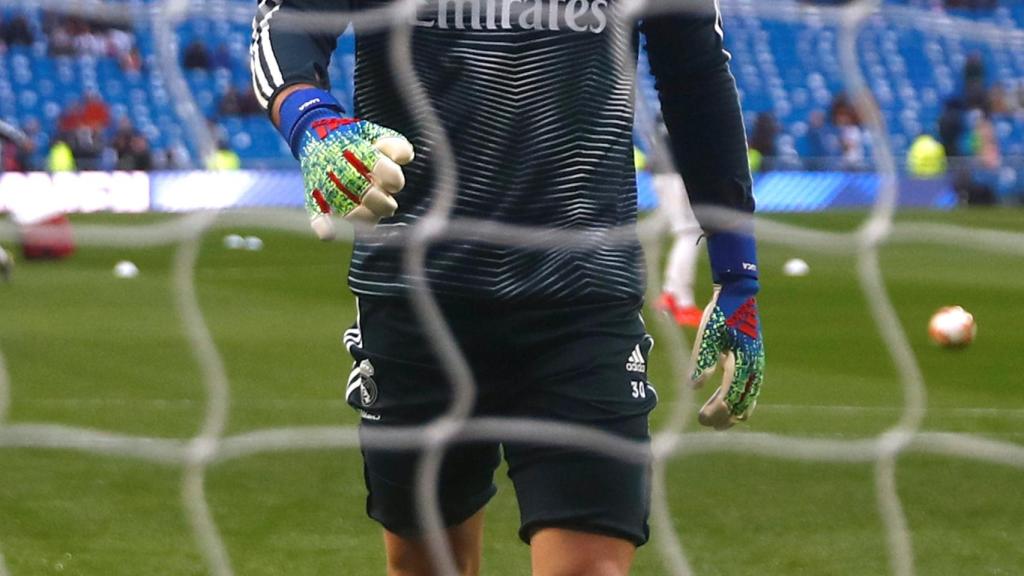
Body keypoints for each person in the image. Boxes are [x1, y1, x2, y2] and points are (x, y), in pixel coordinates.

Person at [252, 1, 765, 575]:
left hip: (583, 289)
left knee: (591, 567)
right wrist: (313, 120)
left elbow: (694, 69)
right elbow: (288, 16)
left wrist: (736, 272)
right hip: (418, 288)